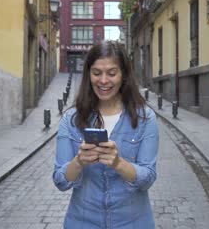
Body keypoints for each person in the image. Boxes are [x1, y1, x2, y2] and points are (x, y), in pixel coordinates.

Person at [53, 41, 159, 228]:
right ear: (88, 75)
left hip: (133, 222)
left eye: (111, 73)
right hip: (82, 222)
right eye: (96, 73)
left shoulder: (145, 117)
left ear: (123, 75)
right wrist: (78, 161)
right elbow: (61, 180)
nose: (103, 81)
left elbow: (148, 178)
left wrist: (118, 163)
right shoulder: (71, 119)